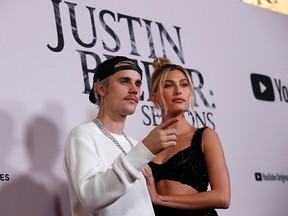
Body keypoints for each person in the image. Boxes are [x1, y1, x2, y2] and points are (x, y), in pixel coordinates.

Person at [64, 56, 180, 216]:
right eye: (124, 81)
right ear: (101, 89)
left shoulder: (134, 144)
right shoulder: (83, 135)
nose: (134, 89)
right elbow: (90, 197)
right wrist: (144, 150)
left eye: (138, 83)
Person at [142, 57, 231, 216]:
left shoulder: (205, 136)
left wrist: (160, 199)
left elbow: (223, 197)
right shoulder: (148, 145)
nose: (178, 91)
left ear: (190, 92)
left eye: (184, 84)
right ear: (154, 97)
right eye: (168, 85)